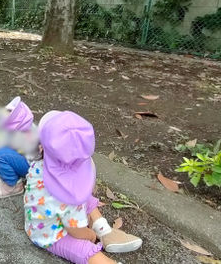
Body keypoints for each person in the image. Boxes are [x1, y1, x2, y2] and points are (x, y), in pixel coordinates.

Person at [25, 110, 142, 264]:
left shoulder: (38, 161)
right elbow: (76, 231)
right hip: (49, 236)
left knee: (86, 196)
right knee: (86, 251)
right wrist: (90, 236)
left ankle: (102, 227)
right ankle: (101, 235)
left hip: (41, 217)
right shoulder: (68, 193)